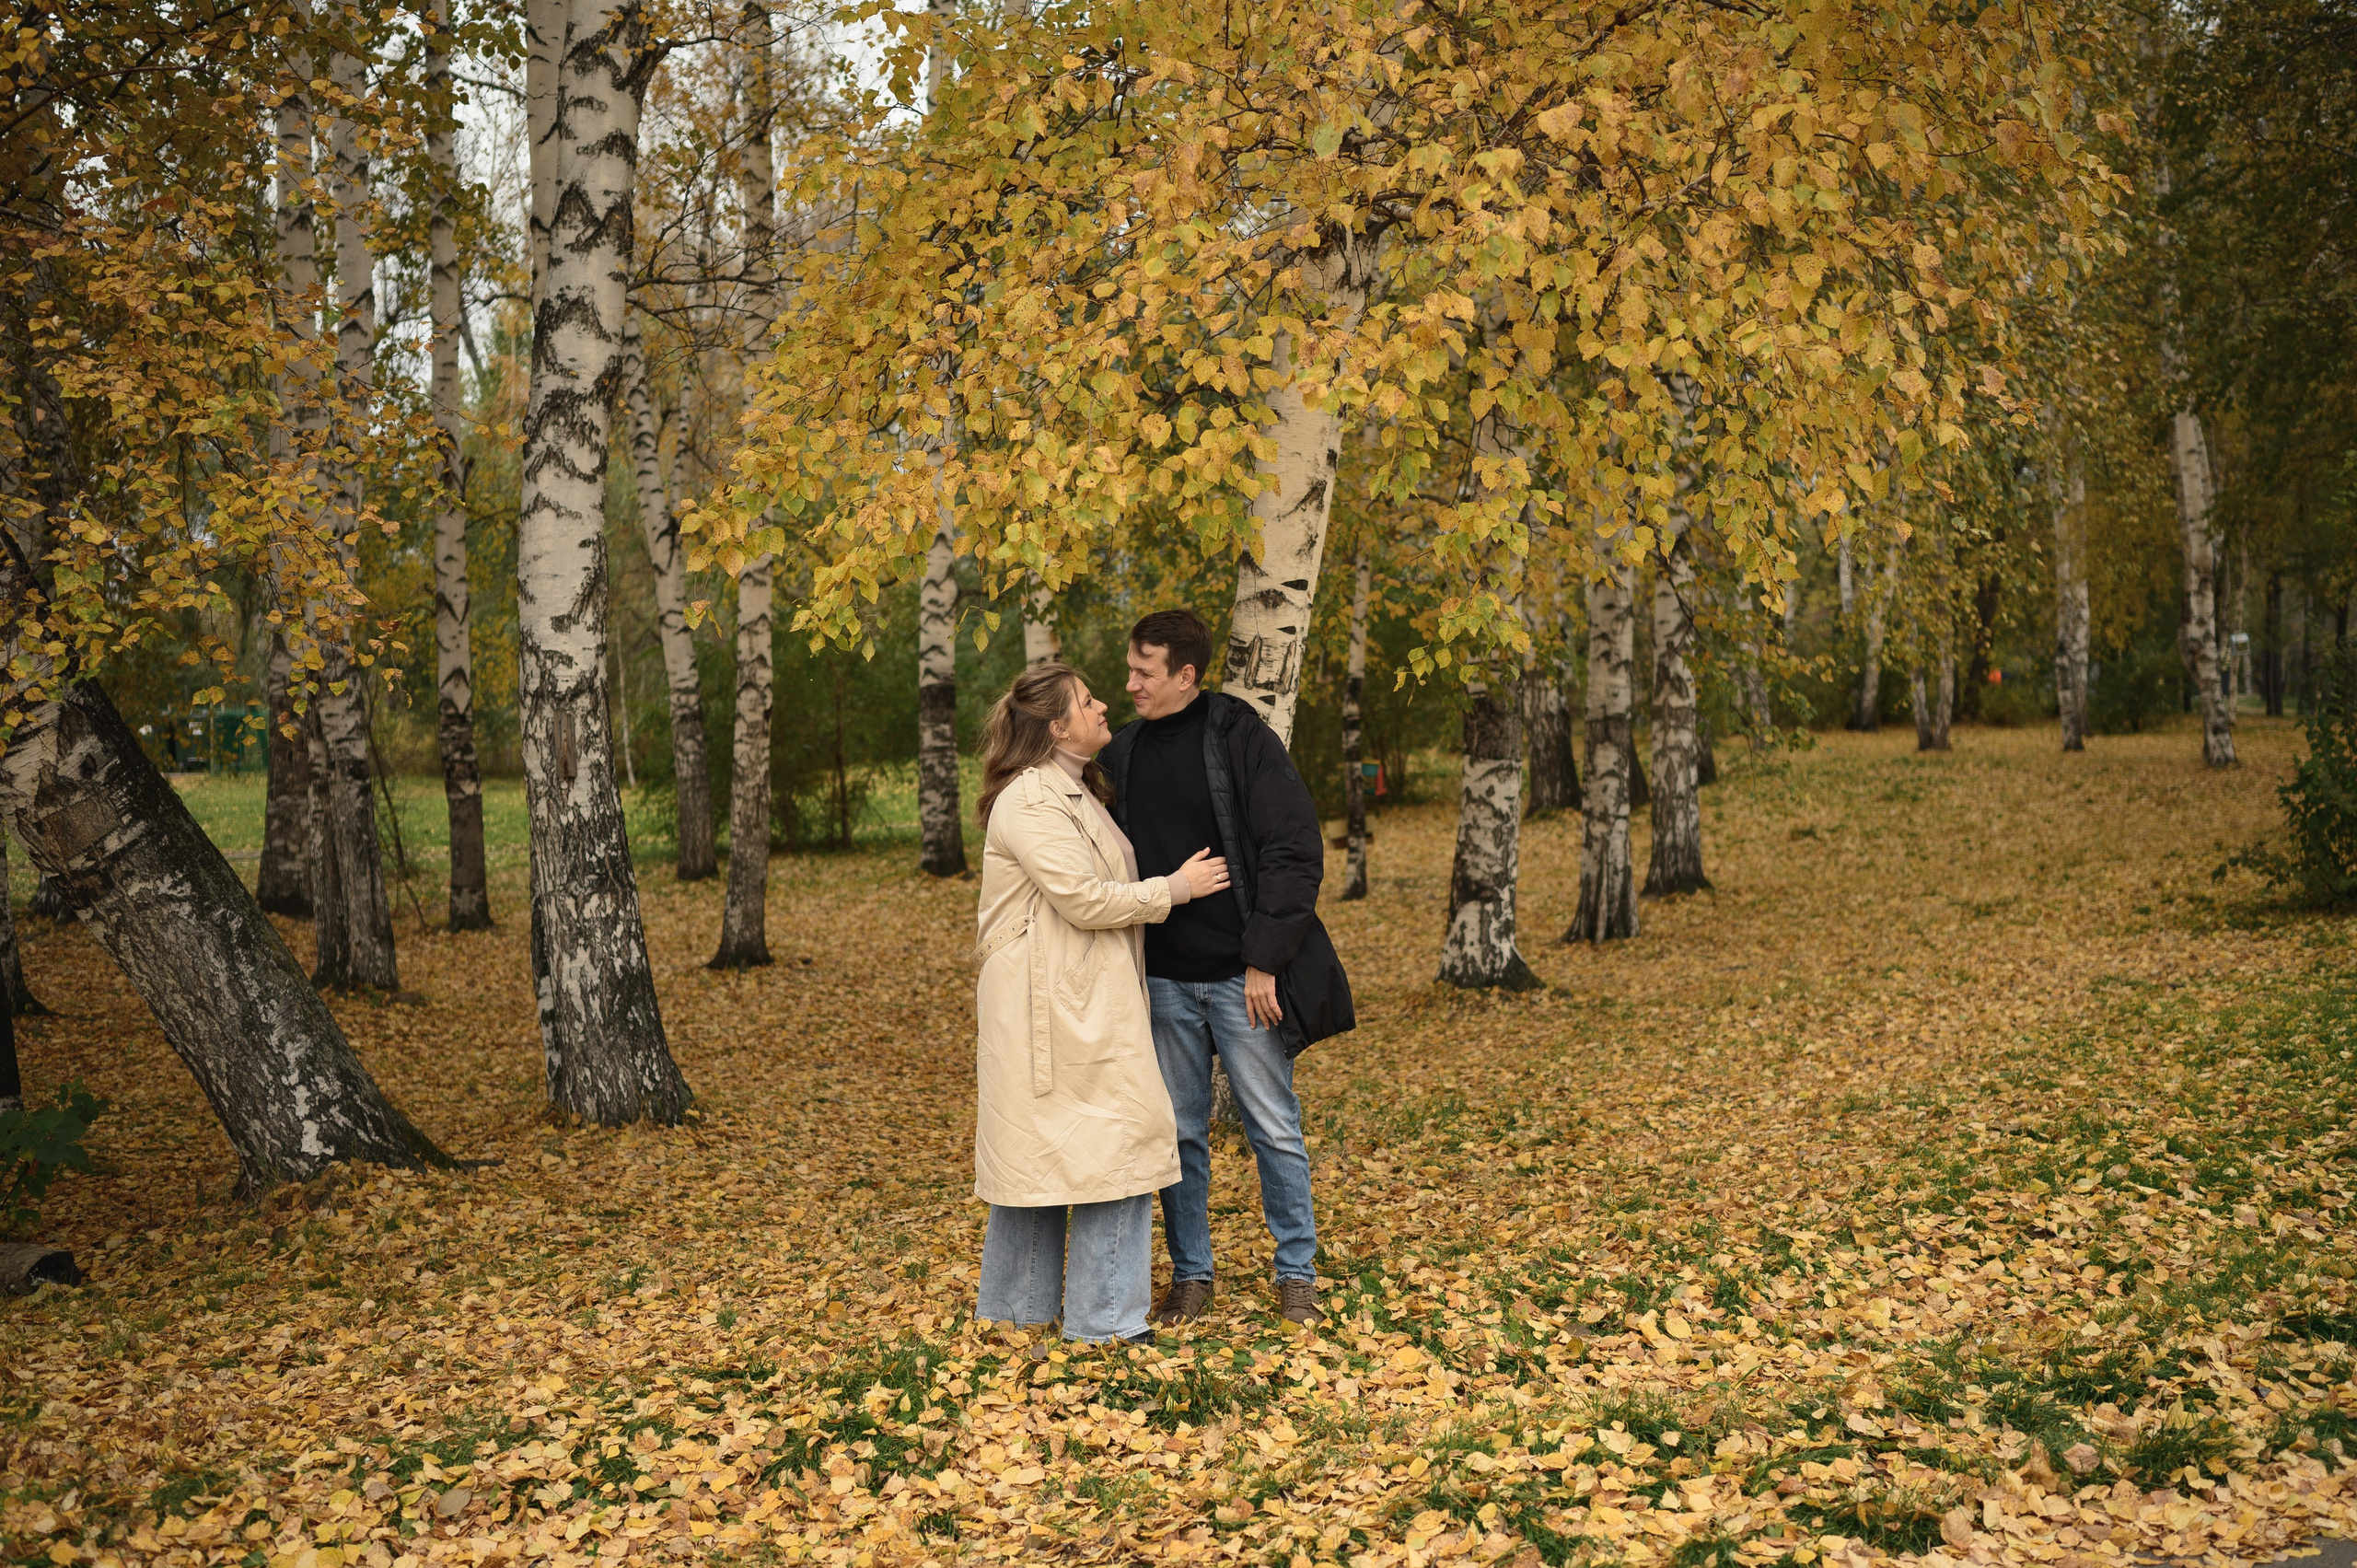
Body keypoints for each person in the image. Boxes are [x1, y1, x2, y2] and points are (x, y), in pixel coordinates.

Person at [1099, 609, 1355, 1328]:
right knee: (1179, 1134)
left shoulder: (1238, 736)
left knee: (1273, 1125)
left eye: (1144, 672)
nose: (1131, 684)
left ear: (1186, 674)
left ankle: (1296, 1273)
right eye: (1130, 669)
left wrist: (1263, 960)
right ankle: (1191, 1276)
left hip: (1243, 983)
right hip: (1163, 984)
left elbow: (1294, 847)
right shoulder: (1123, 755)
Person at [970, 661, 1232, 1342]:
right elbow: (1083, 899)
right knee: (1109, 1147)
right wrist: (1173, 888)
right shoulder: (1031, 798)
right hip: (1051, 1006)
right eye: (1088, 701)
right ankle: (1103, 1322)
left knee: (1064, 1153)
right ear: (1057, 724)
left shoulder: (1074, 790)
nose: (1103, 704)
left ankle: (1023, 1313)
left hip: (1074, 999)